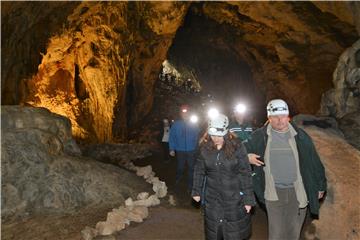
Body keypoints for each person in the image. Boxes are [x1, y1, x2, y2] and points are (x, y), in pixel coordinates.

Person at [244, 99, 327, 240]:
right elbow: (237, 151)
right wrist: (247, 156)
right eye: (275, 117)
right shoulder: (260, 137)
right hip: (273, 192)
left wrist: (320, 186)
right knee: (276, 235)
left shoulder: (300, 136)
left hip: (297, 191)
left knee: (292, 234)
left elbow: (315, 162)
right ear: (269, 118)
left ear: (288, 115)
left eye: (283, 115)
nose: (279, 120)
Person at [192, 113, 255, 240]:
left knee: (233, 233)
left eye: (219, 135)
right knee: (215, 232)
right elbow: (199, 170)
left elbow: (245, 172)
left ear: (226, 132)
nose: (215, 138)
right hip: (213, 199)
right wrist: (196, 190)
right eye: (213, 135)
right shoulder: (205, 148)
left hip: (234, 199)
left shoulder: (237, 146)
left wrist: (248, 199)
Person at [169, 105, 200, 192]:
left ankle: (190, 186)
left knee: (191, 168)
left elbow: (197, 136)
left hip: (191, 150)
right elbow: (172, 137)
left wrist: (196, 147)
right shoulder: (176, 124)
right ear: (180, 114)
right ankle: (178, 181)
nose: (185, 115)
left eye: (187, 113)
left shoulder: (194, 124)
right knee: (180, 167)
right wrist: (171, 148)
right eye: (183, 113)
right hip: (180, 150)